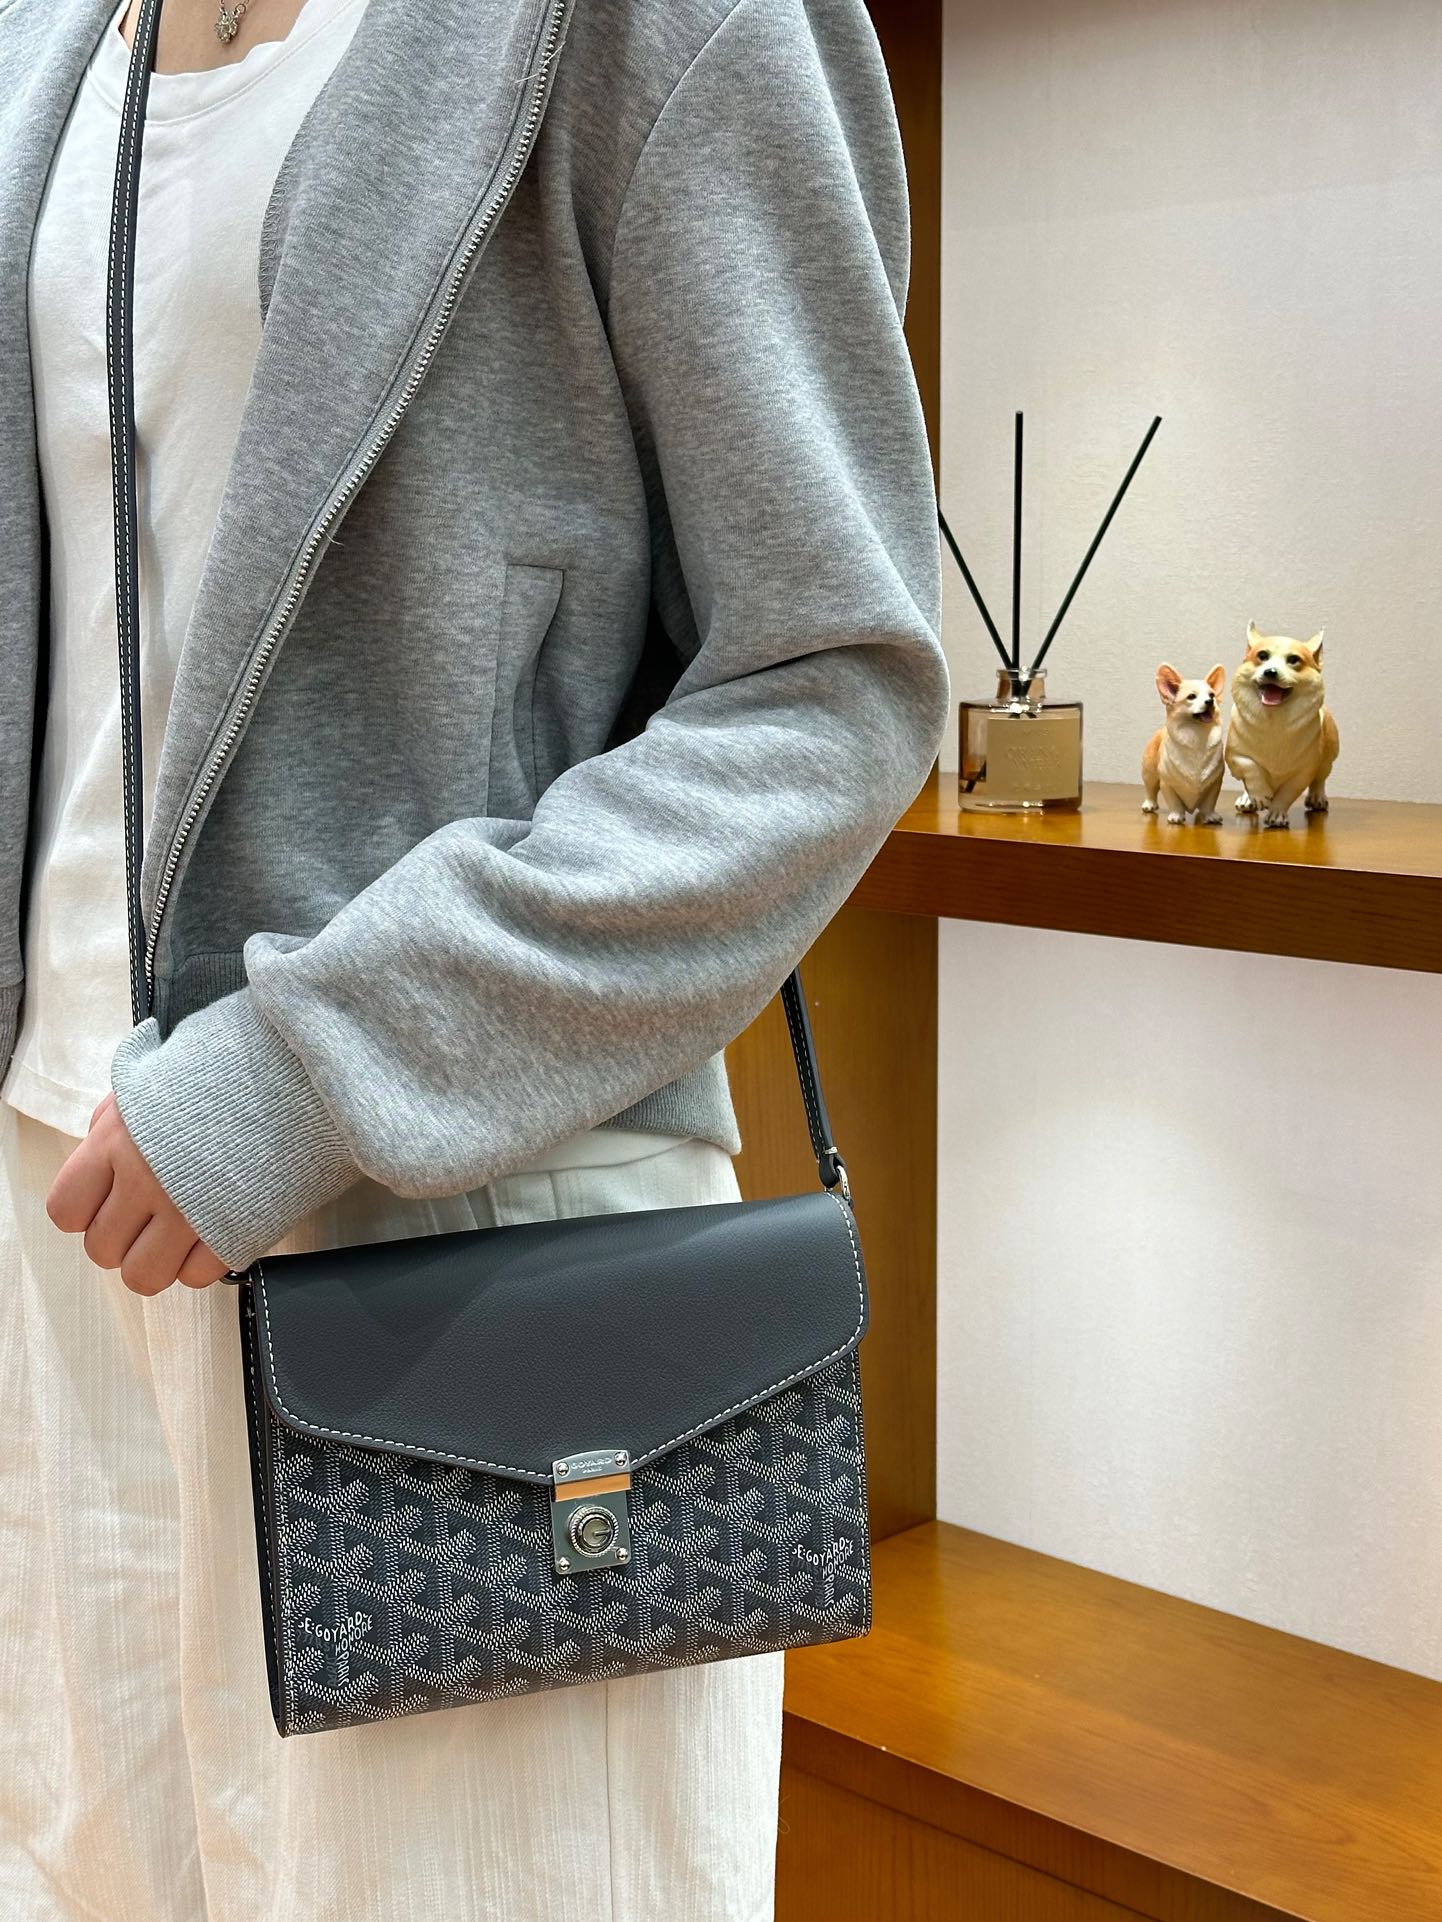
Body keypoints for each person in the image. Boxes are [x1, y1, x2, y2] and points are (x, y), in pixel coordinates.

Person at [0, 0, 950, 1915]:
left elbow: (829, 686)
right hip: (62, 1227)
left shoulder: (654, 26)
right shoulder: (47, 40)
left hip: (460, 1266)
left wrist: (296, 1067)